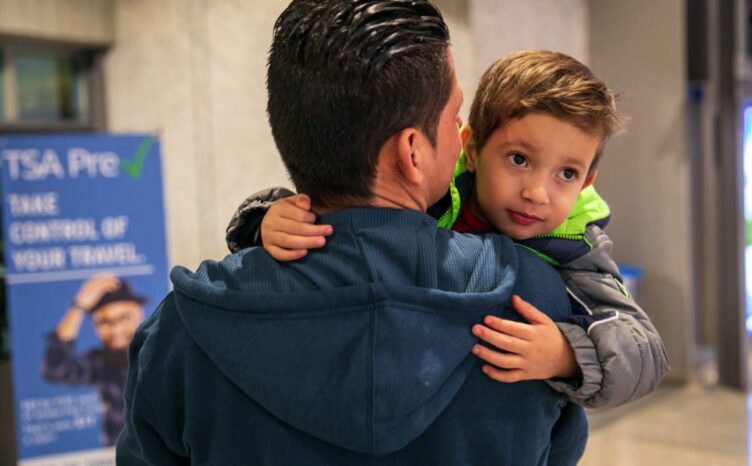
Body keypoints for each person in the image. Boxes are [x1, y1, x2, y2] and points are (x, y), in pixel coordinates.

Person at [117, 1, 593, 464]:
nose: (461, 133)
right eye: (454, 116)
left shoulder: (184, 329)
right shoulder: (532, 305)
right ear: (412, 152)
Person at [227, 50, 669, 408]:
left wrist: (568, 354)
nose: (537, 192)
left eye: (567, 174)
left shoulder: (575, 247)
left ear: (588, 181)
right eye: (519, 159)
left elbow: (646, 350)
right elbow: (346, 210)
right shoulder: (434, 188)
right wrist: (267, 218)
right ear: (472, 149)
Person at [43, 274, 146, 446]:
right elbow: (56, 369)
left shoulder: (161, 352)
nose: (116, 329)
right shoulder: (99, 363)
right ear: (95, 326)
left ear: (139, 313)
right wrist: (78, 307)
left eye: (124, 318)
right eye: (105, 322)